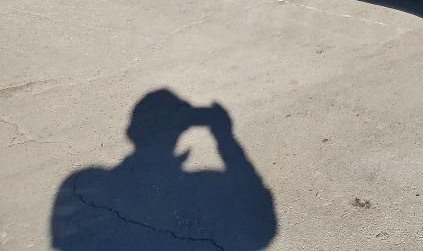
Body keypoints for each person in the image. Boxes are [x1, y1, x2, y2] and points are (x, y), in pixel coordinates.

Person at [50, 89, 276, 250]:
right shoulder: (205, 187)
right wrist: (224, 135)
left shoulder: (84, 183)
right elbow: (262, 221)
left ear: (132, 131)